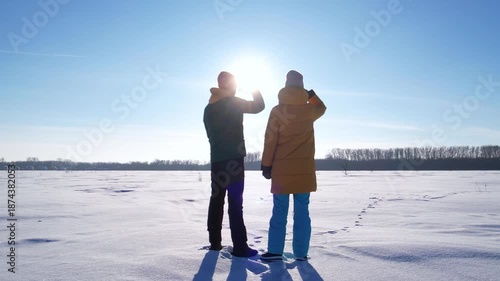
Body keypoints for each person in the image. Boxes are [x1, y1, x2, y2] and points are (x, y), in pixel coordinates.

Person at [259, 70, 326, 261]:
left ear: (286, 85)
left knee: (279, 210)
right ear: (302, 86)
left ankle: (275, 251)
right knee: (303, 212)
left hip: (281, 171)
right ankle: (301, 253)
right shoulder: (309, 110)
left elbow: (270, 140)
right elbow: (322, 107)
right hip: (304, 172)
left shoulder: (278, 111)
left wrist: (266, 165)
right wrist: (311, 95)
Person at [203, 71, 265, 257]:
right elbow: (259, 106)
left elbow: (209, 134)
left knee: (216, 200)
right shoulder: (234, 102)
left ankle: (214, 243)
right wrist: (254, 88)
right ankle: (240, 246)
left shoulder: (208, 108)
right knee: (235, 203)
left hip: (217, 160)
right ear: (231, 85)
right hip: (234, 161)